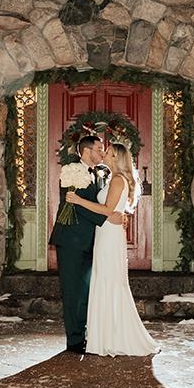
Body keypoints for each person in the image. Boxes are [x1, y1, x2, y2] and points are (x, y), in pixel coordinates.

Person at [66, 141, 158, 357]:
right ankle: (105, 336)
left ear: (116, 158)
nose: (104, 154)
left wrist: (78, 200)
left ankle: (111, 338)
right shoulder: (112, 179)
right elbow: (112, 210)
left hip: (109, 236)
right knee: (105, 279)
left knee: (109, 281)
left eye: (108, 152)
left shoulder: (117, 179)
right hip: (106, 232)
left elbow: (107, 209)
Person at [48, 134, 126, 354]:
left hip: (92, 241)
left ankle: (85, 335)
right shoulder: (71, 170)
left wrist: (113, 213)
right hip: (71, 241)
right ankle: (74, 341)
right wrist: (108, 216)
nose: (102, 153)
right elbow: (76, 205)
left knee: (85, 291)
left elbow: (102, 201)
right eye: (99, 149)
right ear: (86, 151)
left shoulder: (100, 174)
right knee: (73, 291)